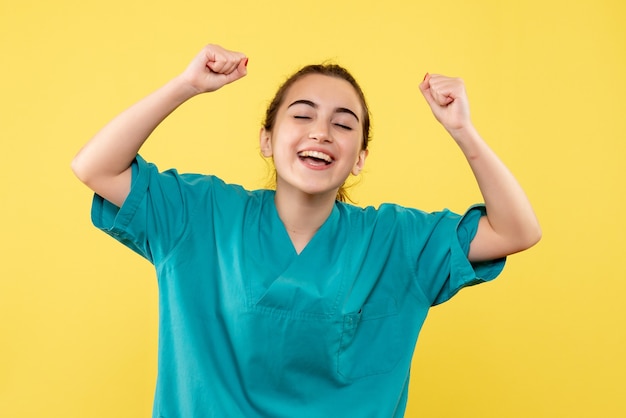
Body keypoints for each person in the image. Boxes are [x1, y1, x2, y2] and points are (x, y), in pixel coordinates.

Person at [72, 44, 541, 417]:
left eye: (343, 124)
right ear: (267, 139)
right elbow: (96, 168)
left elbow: (516, 230)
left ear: (359, 158)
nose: (321, 132)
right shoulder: (201, 216)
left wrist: (463, 130)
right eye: (302, 115)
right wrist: (185, 85)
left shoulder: (396, 241)